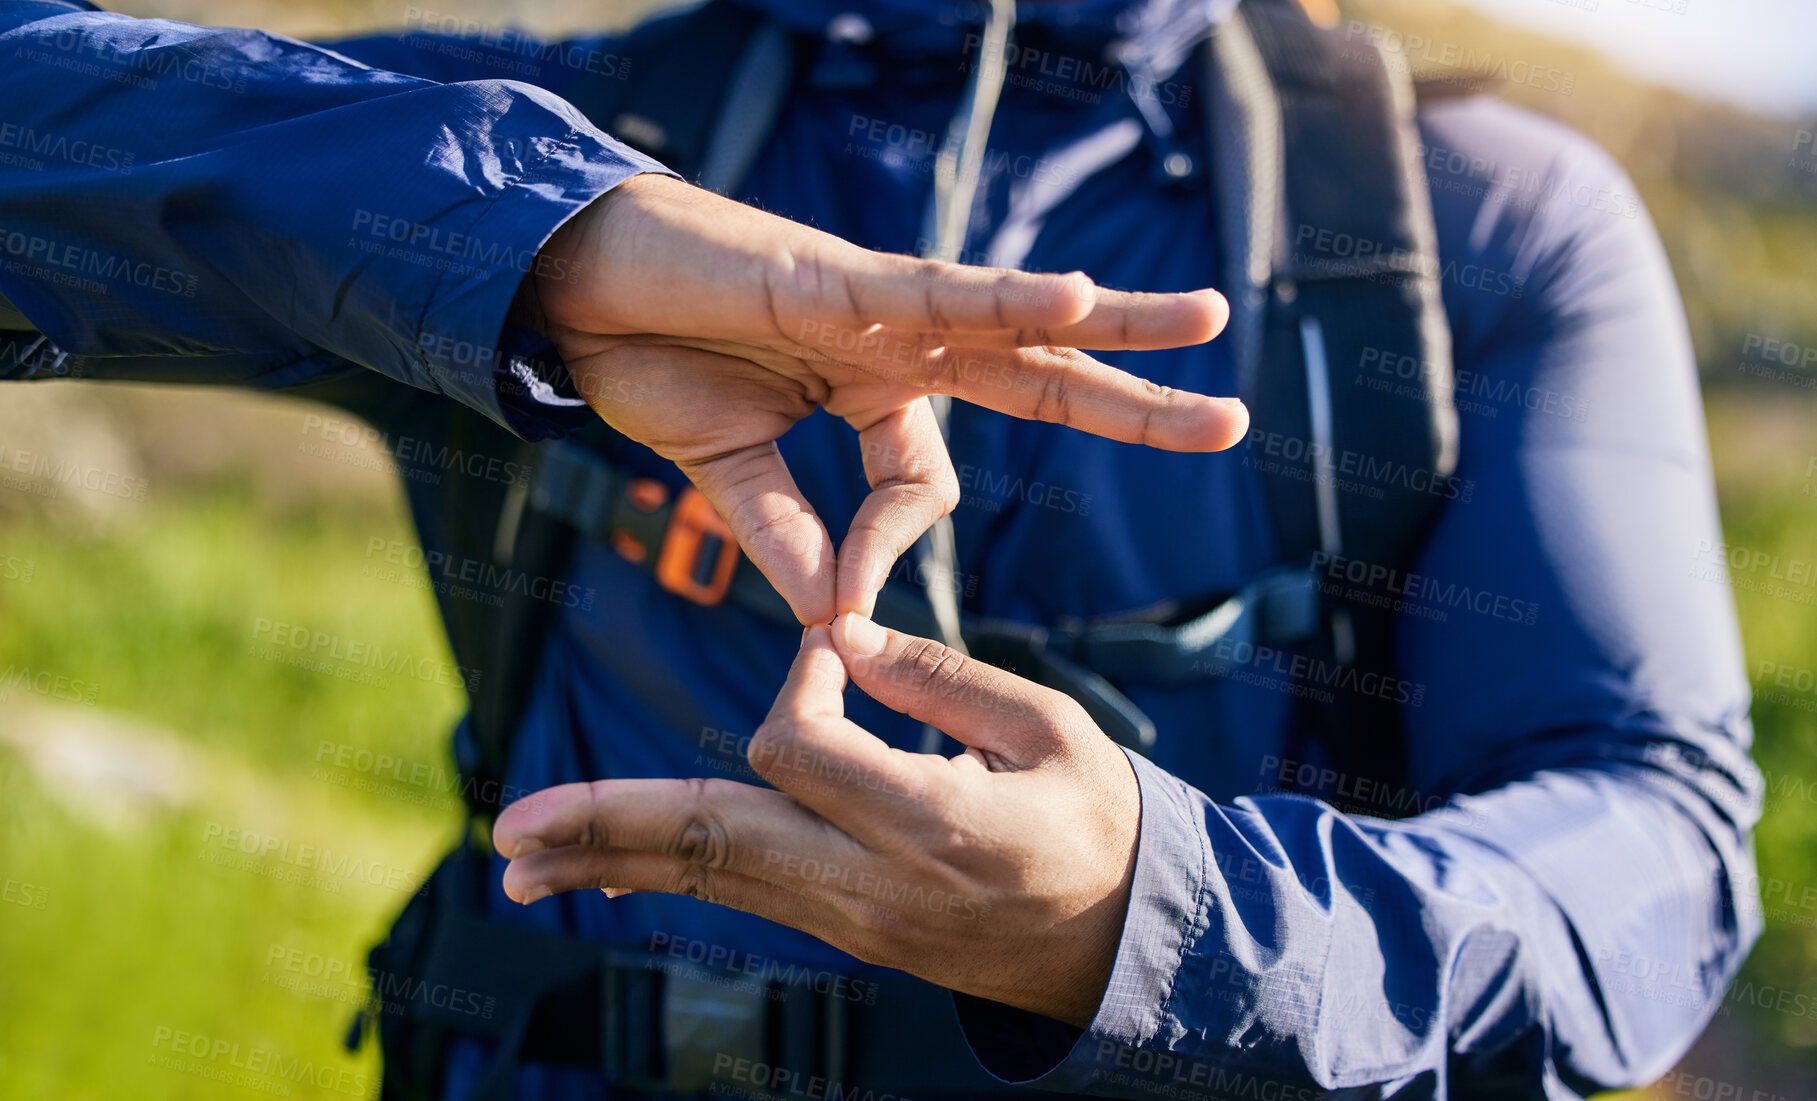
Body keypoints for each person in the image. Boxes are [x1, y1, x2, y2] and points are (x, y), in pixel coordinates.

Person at [0, 0, 1760, 1098]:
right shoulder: (537, 126)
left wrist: (1173, 927)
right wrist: (520, 238)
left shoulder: (1466, 226)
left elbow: (1654, 832)